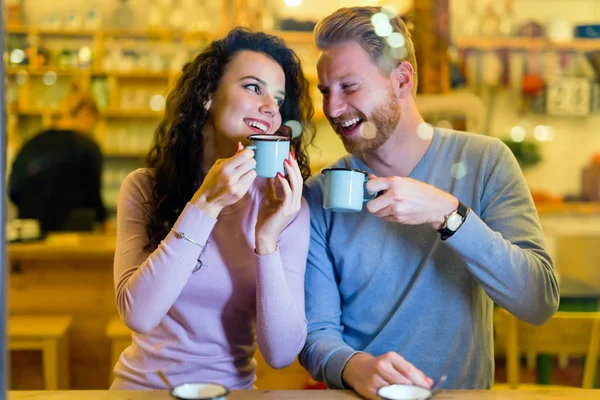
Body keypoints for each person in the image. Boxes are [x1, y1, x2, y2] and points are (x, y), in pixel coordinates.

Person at [299, 7, 559, 399]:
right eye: (325, 91)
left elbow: (538, 301)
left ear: (402, 80)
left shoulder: (485, 162)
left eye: (349, 87)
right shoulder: (321, 192)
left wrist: (449, 215)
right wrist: (354, 366)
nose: (332, 109)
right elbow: (315, 334)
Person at [111, 27, 315, 390]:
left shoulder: (284, 207)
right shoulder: (144, 187)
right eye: (254, 87)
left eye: (278, 98)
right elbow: (139, 314)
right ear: (207, 95)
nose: (270, 107)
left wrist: (266, 239)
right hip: (142, 391)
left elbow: (281, 354)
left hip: (231, 394)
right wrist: (205, 204)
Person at [8, 86, 106, 232]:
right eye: (94, 121)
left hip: (32, 235)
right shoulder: (88, 147)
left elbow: (13, 190)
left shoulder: (31, 144)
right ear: (86, 113)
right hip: (74, 237)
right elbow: (94, 198)